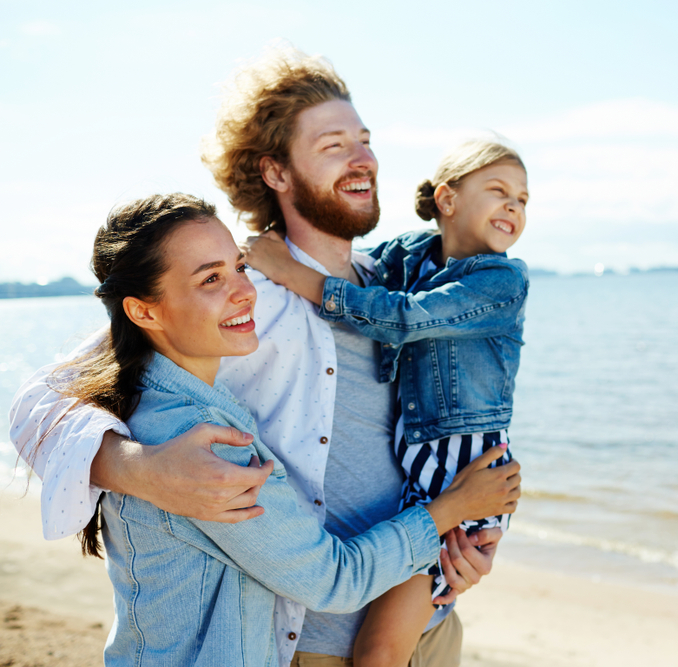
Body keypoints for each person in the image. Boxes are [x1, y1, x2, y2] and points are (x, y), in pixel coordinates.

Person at [9, 45, 512, 666]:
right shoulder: (242, 294)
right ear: (276, 173)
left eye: (365, 139)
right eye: (333, 146)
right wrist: (143, 469)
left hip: (423, 616)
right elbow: (38, 403)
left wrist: (471, 530)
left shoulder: (391, 285)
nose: (363, 160)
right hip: (319, 639)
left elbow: (449, 414)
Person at [243, 139, 529, 667]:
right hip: (425, 482)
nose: (514, 206)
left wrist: (293, 274)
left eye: (523, 199)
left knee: (379, 652)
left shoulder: (502, 280)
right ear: (447, 198)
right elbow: (358, 273)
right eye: (499, 191)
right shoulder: (403, 257)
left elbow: (401, 317)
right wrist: (276, 251)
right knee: (380, 650)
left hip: (459, 474)